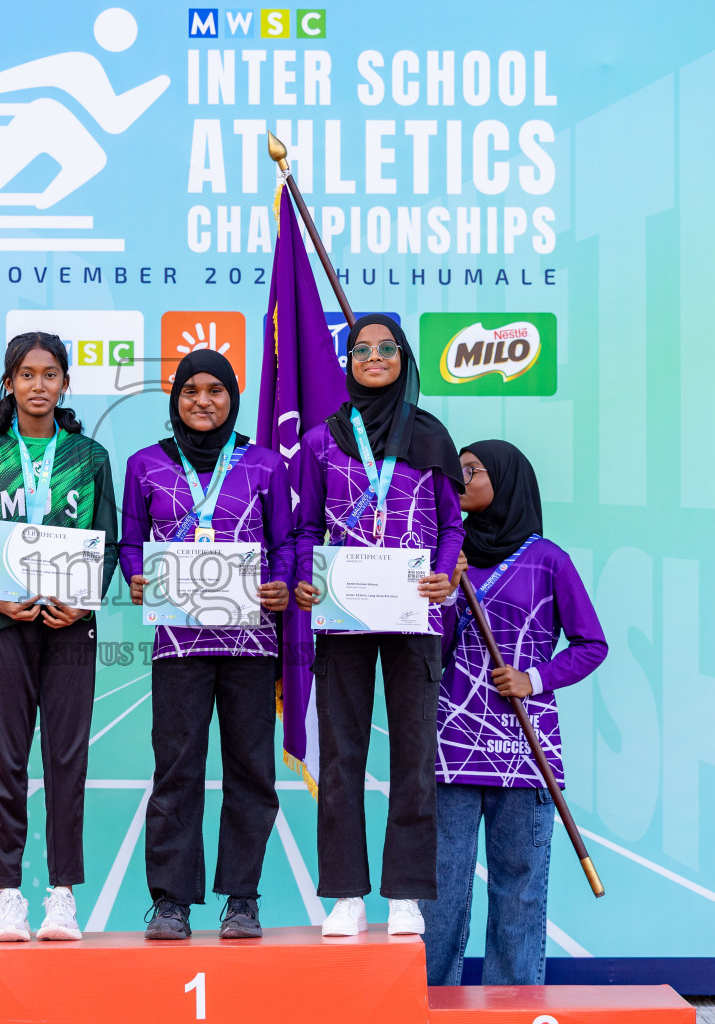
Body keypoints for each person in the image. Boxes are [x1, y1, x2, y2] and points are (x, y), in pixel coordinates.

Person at [290, 315, 464, 938]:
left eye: (387, 348)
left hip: (415, 616)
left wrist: (445, 575)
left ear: (404, 359)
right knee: (341, 759)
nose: (373, 356)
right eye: (360, 348)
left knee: (414, 757)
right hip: (343, 619)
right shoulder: (320, 442)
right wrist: (309, 574)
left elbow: (451, 526)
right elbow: (306, 527)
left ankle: (406, 896)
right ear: (347, 361)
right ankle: (345, 896)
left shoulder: (432, 436)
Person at [0, 332, 119, 943]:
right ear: (9, 383)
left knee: (67, 760)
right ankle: (9, 898)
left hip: (71, 627)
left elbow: (110, 545)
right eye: (26, 374)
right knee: (6, 761)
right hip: (4, 625)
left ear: (65, 383)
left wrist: (82, 599)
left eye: (50, 374)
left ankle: (63, 897)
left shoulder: (91, 457)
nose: (38, 385)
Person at [119, 350, 293, 940]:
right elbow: (130, 543)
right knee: (177, 770)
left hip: (250, 643)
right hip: (179, 644)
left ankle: (242, 900)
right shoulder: (145, 465)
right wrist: (136, 575)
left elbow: (287, 544)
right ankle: (172, 902)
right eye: (190, 390)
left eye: (215, 390)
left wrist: (281, 586)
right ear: (175, 398)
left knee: (252, 771)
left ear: (232, 399)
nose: (202, 401)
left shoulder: (265, 465)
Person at [422, 440, 607, 985]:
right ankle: (429, 1005)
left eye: (470, 472)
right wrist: (449, 593)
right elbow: (430, 647)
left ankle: (514, 1004)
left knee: (520, 888)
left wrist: (535, 678)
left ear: (505, 479)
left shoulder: (549, 559)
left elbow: (590, 644)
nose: (459, 480)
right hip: (451, 748)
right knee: (441, 892)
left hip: (525, 753)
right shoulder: (443, 554)